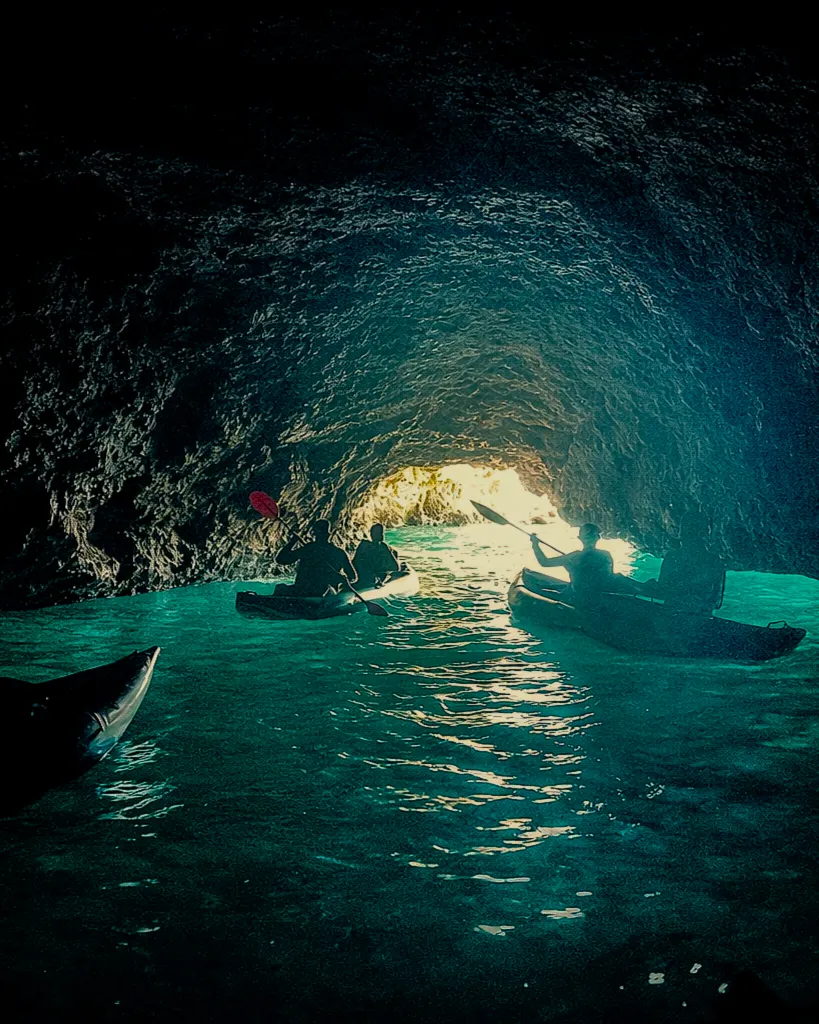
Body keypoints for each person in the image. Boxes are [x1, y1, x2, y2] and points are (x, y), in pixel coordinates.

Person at [645, 519, 726, 615]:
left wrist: (649, 586)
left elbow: (662, 591)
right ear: (706, 533)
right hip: (701, 616)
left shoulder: (672, 557)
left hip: (672, 614)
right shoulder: (715, 561)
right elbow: (716, 602)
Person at [530, 523, 620, 604]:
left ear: (580, 538)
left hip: (577, 597)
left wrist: (535, 545)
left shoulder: (573, 557)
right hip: (599, 598)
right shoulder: (606, 555)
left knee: (552, 589)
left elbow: (544, 562)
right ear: (598, 537)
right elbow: (609, 578)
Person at [274, 519, 357, 597]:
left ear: (314, 534)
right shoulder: (337, 552)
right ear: (328, 535)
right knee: (280, 588)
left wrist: (292, 542)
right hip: (306, 591)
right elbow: (353, 577)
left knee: (280, 589)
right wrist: (342, 579)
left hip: (315, 592)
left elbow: (281, 559)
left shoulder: (309, 549)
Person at [352, 524, 401, 588]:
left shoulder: (363, 545)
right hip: (371, 579)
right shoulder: (383, 547)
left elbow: (354, 563)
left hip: (360, 578)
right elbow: (396, 568)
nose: (382, 535)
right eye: (381, 533)